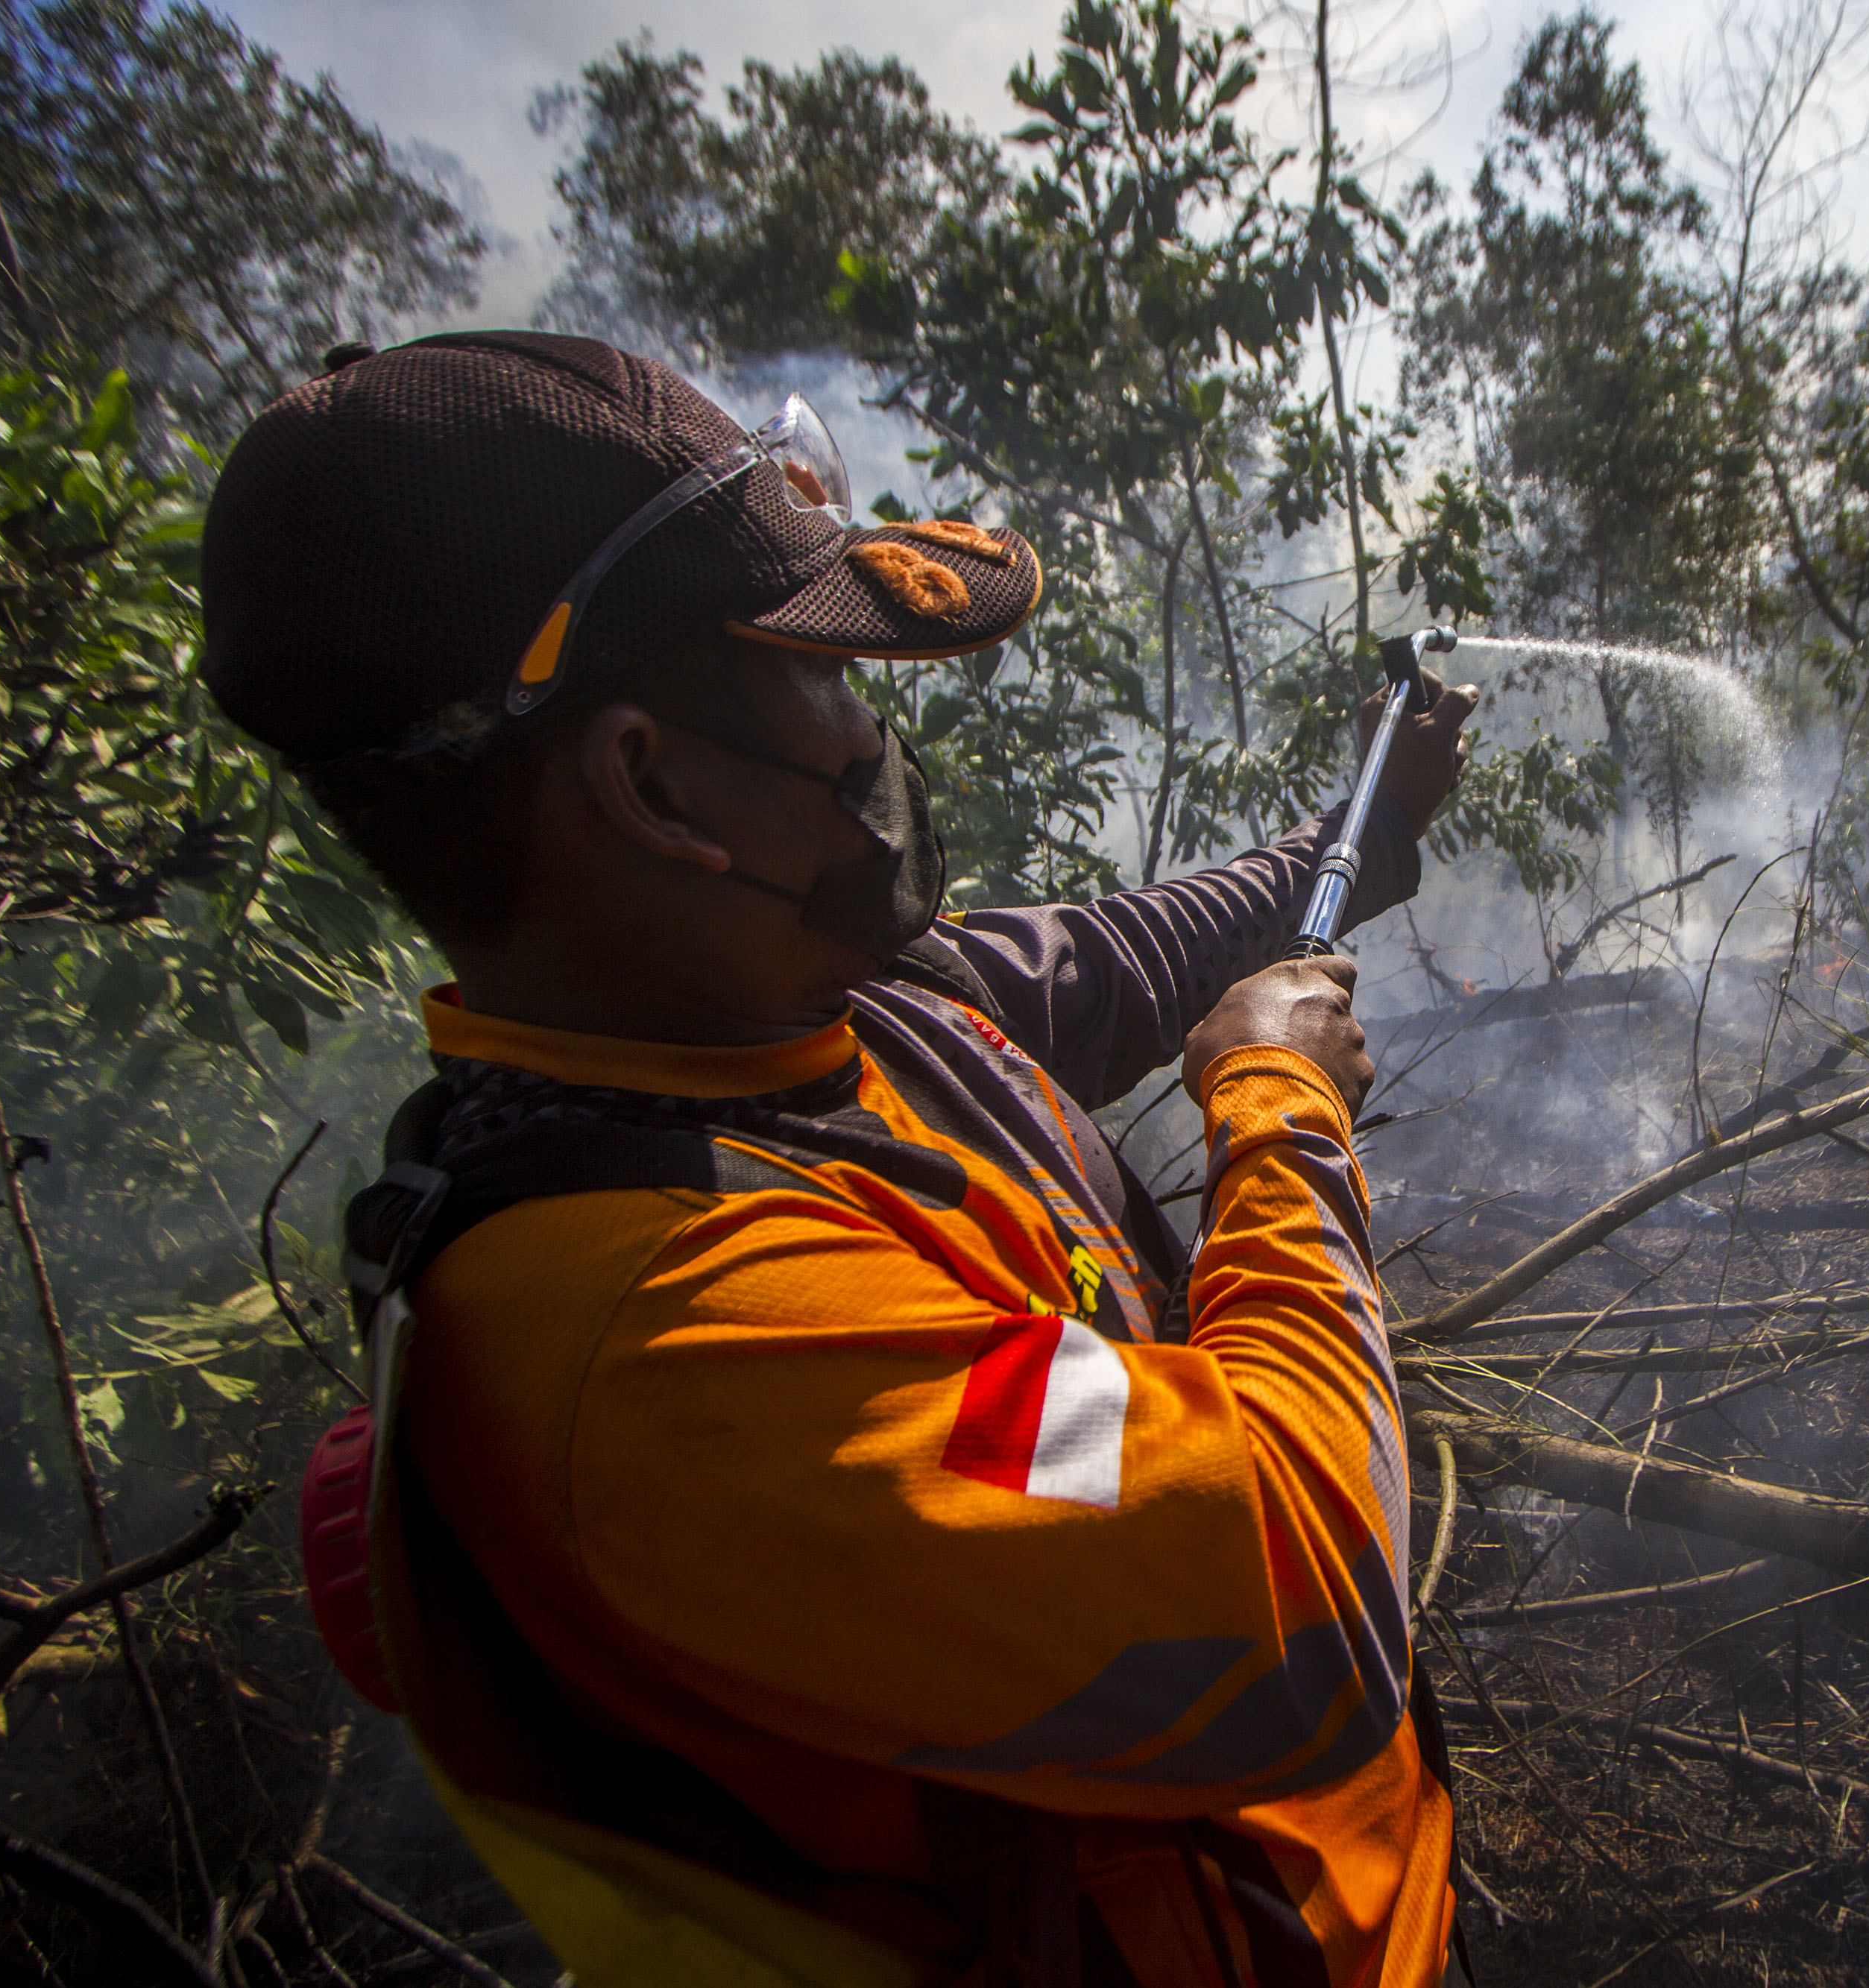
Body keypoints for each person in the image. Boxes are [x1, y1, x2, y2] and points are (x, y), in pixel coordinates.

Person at [198, 331, 1483, 1988]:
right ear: (654, 783)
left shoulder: (800, 1010)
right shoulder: (690, 1336)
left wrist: (1363, 833)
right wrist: (1280, 1111)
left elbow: (1113, 961)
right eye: (827, 675)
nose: (875, 727)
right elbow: (1300, 1582)